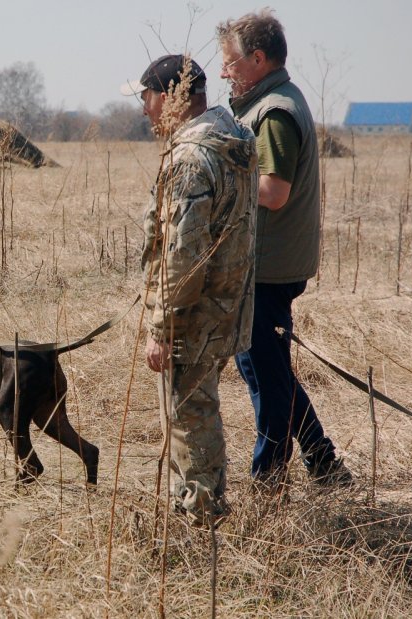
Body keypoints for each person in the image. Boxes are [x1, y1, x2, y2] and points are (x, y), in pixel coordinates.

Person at [217, 9, 352, 486]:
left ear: (257, 59)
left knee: (267, 383)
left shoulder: (274, 112)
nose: (224, 72)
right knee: (266, 372)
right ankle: (323, 460)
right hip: (267, 263)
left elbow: (273, 193)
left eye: (230, 62)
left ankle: (268, 484)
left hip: (268, 269)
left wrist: (223, 176)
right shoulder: (271, 101)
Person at [124, 54, 258, 526]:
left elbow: (184, 255)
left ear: (170, 96)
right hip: (228, 306)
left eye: (147, 97)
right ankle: (202, 509)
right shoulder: (235, 138)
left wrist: (162, 325)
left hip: (192, 315)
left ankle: (201, 520)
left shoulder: (189, 157)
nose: (145, 109)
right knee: (199, 409)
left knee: (188, 418)